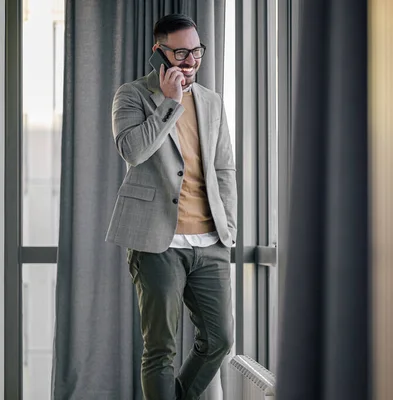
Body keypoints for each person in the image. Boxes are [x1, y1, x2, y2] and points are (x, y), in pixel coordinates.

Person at [105, 13, 236, 400]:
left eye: (197, 51)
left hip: (209, 240)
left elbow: (224, 167)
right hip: (156, 240)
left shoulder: (212, 102)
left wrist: (228, 225)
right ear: (158, 52)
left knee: (220, 338)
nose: (191, 61)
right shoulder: (131, 95)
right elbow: (132, 151)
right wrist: (169, 102)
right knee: (160, 348)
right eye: (180, 53)